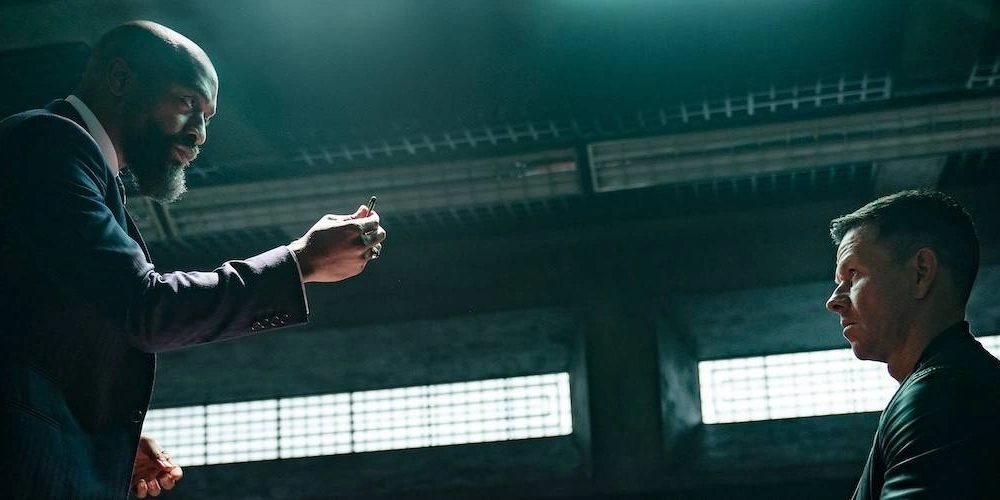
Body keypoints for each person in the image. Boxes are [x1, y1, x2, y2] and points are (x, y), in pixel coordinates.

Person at [0, 20, 386, 499]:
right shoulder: (48, 142)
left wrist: (104, 434)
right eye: (188, 102)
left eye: (207, 117)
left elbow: (41, 329)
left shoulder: (69, 161)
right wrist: (298, 262)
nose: (199, 134)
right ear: (120, 79)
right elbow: (144, 308)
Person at [825, 190, 1000, 498]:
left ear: (921, 272)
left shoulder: (943, 395)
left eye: (853, 275)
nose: (834, 301)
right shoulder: (956, 382)